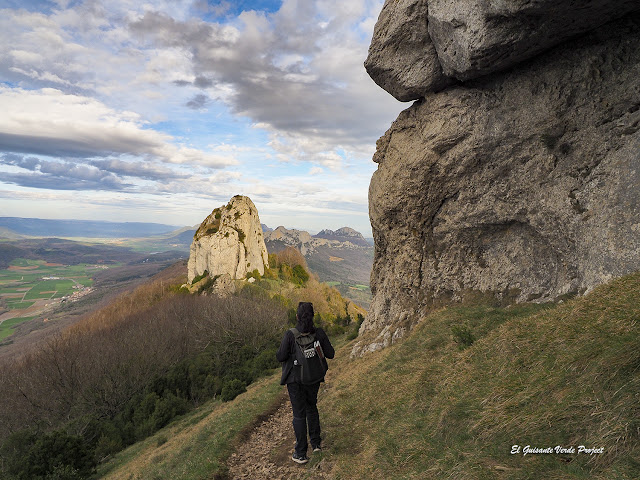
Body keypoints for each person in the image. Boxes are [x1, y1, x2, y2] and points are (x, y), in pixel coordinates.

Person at [276, 302, 335, 464]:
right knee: (311, 407)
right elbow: (331, 354)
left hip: (295, 381)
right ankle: (316, 444)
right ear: (313, 316)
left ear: (297, 317)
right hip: (313, 379)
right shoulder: (319, 333)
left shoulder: (290, 335)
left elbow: (280, 356)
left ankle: (301, 453)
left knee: (299, 414)